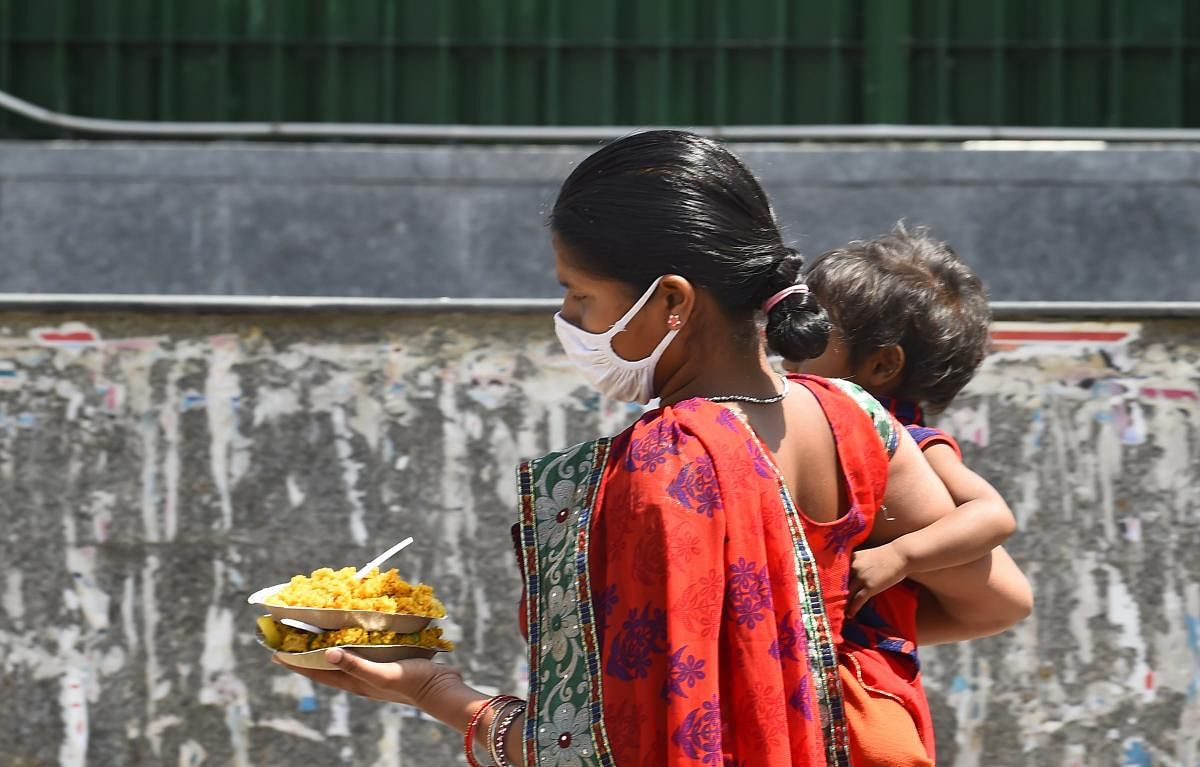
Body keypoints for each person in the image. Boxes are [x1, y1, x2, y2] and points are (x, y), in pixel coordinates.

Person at [276, 131, 978, 766]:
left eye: (579, 295)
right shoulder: (859, 418)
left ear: (673, 299)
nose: (567, 320)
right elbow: (994, 599)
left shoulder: (664, 466)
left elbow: (591, 753)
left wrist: (436, 690)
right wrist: (796, 643)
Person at [786, 224, 1035, 764]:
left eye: (814, 331)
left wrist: (898, 556)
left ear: (880, 365)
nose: (790, 342)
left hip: (868, 694)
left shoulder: (914, 445)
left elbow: (993, 515)